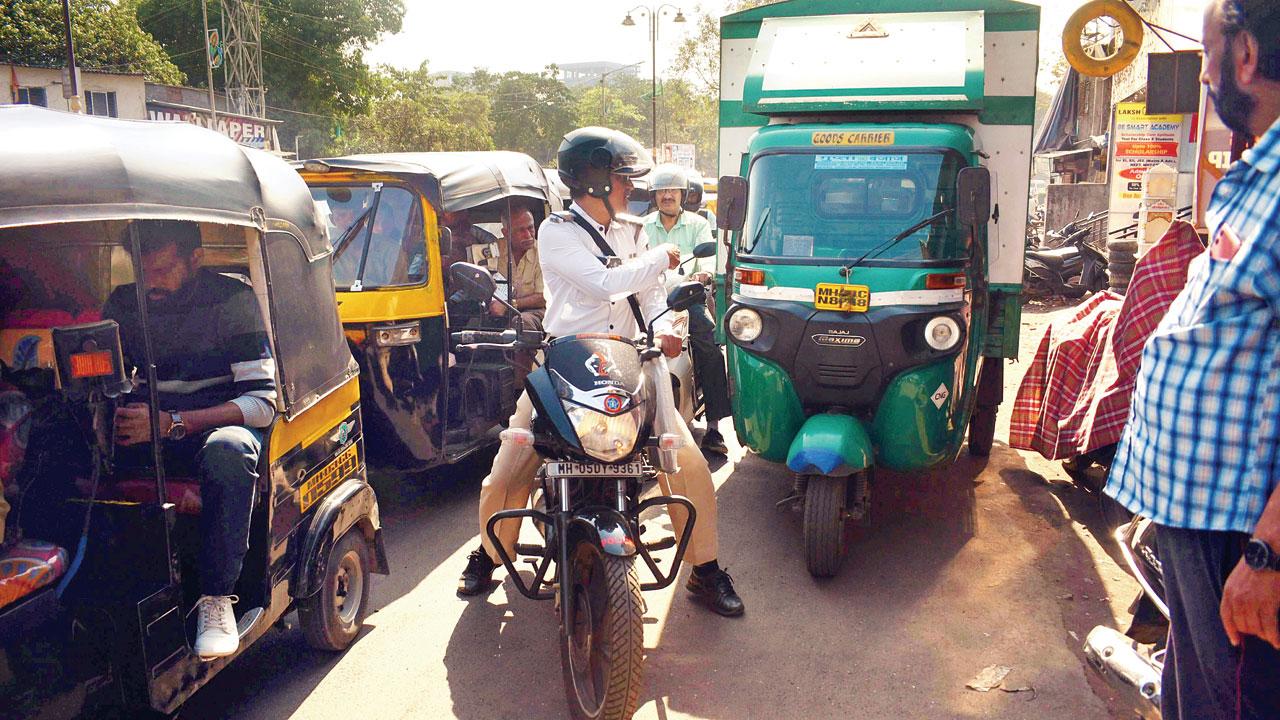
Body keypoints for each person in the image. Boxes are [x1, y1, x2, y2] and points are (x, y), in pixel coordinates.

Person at [457, 127, 745, 616]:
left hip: (632, 360)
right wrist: (658, 258)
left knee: (688, 464)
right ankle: (490, 551)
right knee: (508, 470)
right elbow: (604, 284)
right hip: (566, 361)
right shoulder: (557, 232)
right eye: (621, 179)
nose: (629, 188)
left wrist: (669, 323)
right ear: (592, 182)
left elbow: (650, 298)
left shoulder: (634, 231)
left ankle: (706, 569)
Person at [1104, 2, 1280, 717]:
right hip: (1203, 521)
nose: (1204, 75)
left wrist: (1268, 556)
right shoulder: (1258, 172)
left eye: (1208, 56)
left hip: (1241, 537)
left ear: (1244, 56)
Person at [103, 220, 277, 660]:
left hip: (212, 426)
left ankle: (217, 598)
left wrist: (172, 422)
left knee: (229, 452)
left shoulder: (232, 300)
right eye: (142, 273)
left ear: (195, 260)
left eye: (161, 271)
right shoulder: (124, 303)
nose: (150, 284)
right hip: (147, 424)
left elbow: (262, 403)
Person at [642, 164, 733, 455]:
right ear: (654, 196)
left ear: (683, 194)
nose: (667, 195)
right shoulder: (642, 227)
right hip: (649, 301)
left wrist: (702, 275)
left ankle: (715, 427)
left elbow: (707, 260)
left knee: (708, 346)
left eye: (672, 190)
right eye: (661, 191)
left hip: (685, 298)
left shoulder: (698, 224)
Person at [489, 205, 545, 389]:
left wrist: (510, 304)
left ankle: (522, 388)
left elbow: (543, 297)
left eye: (531, 228)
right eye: (521, 230)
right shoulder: (494, 249)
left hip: (536, 312)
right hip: (495, 309)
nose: (529, 234)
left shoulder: (543, 252)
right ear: (506, 232)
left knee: (523, 323)